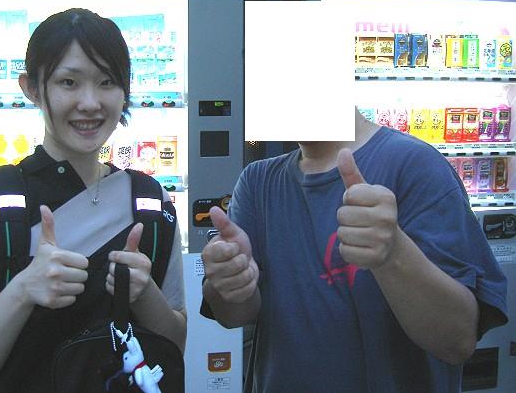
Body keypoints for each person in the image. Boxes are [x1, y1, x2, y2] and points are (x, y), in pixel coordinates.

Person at [0, 8, 186, 392]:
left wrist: (146, 295)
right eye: (68, 82)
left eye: (107, 81)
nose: (90, 102)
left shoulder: (152, 202)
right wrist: (24, 289)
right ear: (31, 88)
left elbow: (174, 347)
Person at [201, 108, 508, 393]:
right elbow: (235, 314)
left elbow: (458, 340)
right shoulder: (257, 181)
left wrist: (394, 253)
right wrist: (228, 282)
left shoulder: (418, 166)